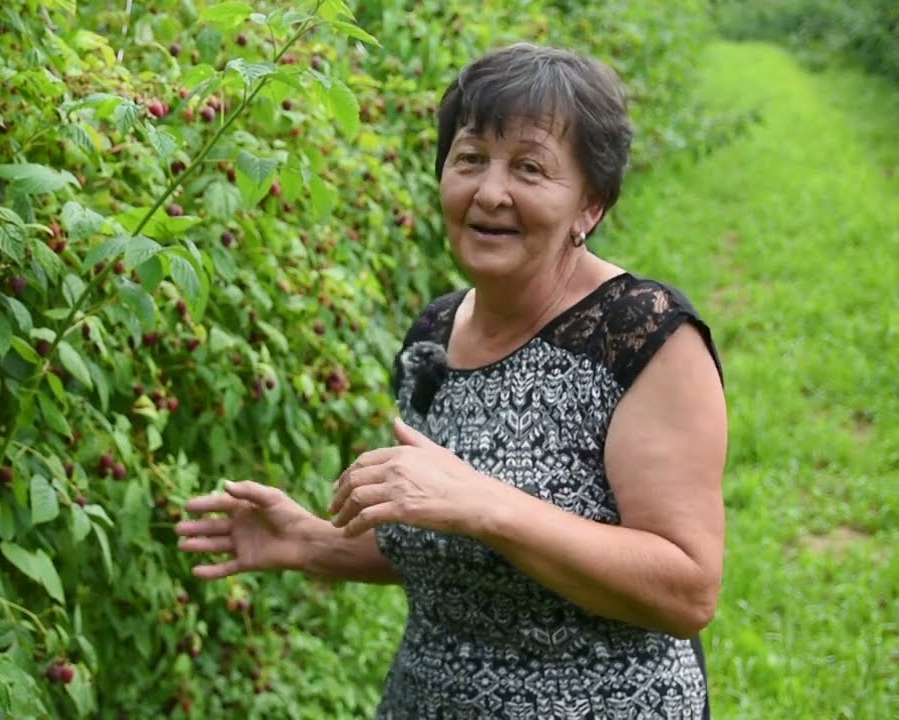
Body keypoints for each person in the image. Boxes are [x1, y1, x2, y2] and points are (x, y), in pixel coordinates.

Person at [175, 42, 726, 720]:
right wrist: (311, 542)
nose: (490, 192)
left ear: (591, 206)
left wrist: (487, 504)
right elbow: (451, 543)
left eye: (529, 167)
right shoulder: (433, 336)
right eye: (469, 160)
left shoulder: (639, 336)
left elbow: (687, 591)